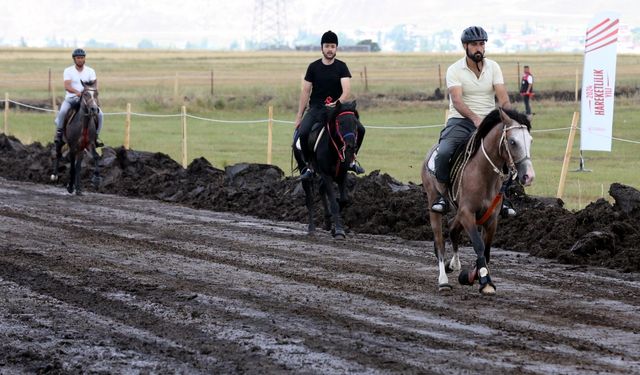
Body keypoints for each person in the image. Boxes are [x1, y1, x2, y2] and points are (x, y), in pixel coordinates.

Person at [432, 26, 516, 217]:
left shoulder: (494, 67)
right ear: (465, 46)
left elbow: (502, 98)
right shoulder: (454, 70)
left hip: (489, 121)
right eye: (474, 44)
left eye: (481, 44)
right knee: (444, 152)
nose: (479, 48)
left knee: (511, 150)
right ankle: (442, 196)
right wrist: (476, 119)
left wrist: (510, 118)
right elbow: (457, 101)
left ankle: (504, 197)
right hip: (461, 121)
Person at [294, 30, 365, 180]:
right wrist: (299, 116)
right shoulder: (313, 67)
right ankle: (309, 166)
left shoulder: (341, 67)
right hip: (316, 109)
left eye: (333, 46)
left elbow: (346, 90)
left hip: (337, 109)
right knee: (303, 133)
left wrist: (336, 103)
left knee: (361, 129)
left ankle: (351, 159)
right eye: (327, 46)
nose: (330, 49)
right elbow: (306, 91)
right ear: (322, 48)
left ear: (336, 48)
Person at [54, 48, 104, 147]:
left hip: (87, 100)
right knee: (63, 111)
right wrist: (77, 92)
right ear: (74, 59)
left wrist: (91, 95)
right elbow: (67, 86)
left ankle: (96, 137)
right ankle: (59, 134)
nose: (80, 60)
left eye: (82, 58)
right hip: (72, 98)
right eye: (78, 58)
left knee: (100, 114)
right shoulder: (68, 71)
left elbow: (94, 86)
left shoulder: (90, 71)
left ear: (85, 59)